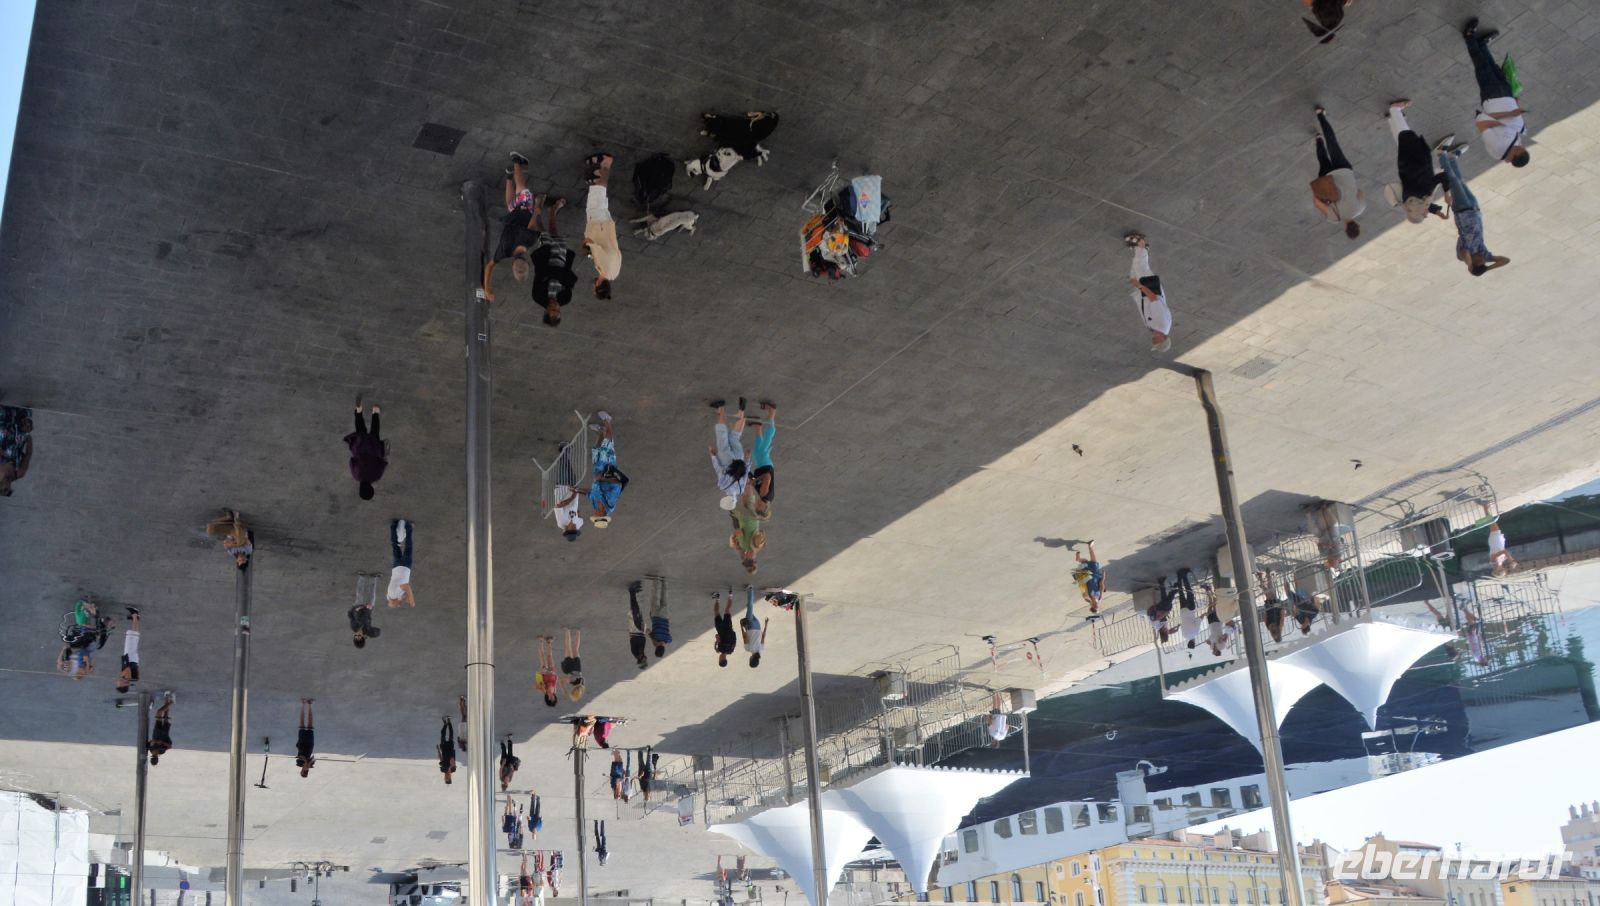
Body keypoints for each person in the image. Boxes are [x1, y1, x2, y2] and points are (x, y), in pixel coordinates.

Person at [1463, 18, 1529, 168]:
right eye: (1521, 147)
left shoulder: (1497, 148)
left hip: (1492, 99)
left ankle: (1469, 37)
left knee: (1482, 67)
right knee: (1493, 68)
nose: (1519, 146)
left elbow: (1481, 123)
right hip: (1506, 97)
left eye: (1518, 149)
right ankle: (1482, 45)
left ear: (1512, 157)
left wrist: (1509, 114)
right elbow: (1514, 127)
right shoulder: (1516, 146)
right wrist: (1514, 105)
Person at [1439, 146, 1511, 277]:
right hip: (1474, 209)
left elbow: (1464, 253)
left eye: (1481, 263)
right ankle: (1452, 158)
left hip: (1462, 211)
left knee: (1454, 182)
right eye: (1484, 262)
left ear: (1474, 263)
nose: (1483, 260)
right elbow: (1506, 260)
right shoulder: (1484, 254)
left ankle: (1441, 155)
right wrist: (1488, 269)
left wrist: (1470, 265)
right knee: (1461, 182)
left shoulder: (1464, 256)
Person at [481, 153, 540, 301]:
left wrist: (537, 207)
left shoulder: (530, 241)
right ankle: (508, 176)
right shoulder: (504, 252)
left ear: (527, 262)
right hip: (511, 215)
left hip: (525, 209)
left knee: (521, 188)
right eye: (521, 269)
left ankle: (516, 161)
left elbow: (533, 223)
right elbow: (489, 266)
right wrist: (487, 288)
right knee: (510, 203)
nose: (520, 266)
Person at [1385, 100, 1450, 224]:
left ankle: (1395, 110)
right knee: (1401, 140)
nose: (1426, 214)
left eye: (1423, 215)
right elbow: (1425, 204)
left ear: (1418, 210)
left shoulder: (1424, 192)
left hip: (1417, 160)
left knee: (1406, 135)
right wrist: (1437, 212)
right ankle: (1392, 119)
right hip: (1406, 164)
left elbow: (1442, 176)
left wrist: (1447, 193)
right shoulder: (1410, 200)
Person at [1309, 105, 1365, 239]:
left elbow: (1360, 192)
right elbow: (1317, 202)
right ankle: (1318, 140)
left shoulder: (1360, 208)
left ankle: (1320, 115)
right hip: (1329, 179)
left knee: (1333, 143)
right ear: (1345, 229)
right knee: (1322, 159)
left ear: (1358, 225)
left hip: (1344, 170)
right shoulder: (1335, 218)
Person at [532, 197, 578, 326]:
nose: (557, 307)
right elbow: (571, 280)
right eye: (558, 310)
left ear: (546, 311)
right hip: (560, 260)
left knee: (542, 233)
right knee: (555, 234)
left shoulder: (538, 296)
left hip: (545, 258)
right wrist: (557, 275)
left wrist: (557, 275)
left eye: (553, 309)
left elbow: (541, 274)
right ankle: (552, 211)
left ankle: (538, 208)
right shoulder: (565, 299)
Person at [582, 152, 621, 300]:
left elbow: (614, 253)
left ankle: (598, 171)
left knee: (602, 199)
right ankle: (606, 164)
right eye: (594, 289)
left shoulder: (614, 273)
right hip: (598, 225)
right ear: (598, 285)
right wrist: (586, 244)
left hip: (607, 226)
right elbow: (593, 245)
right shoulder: (603, 267)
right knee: (599, 193)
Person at [1124, 233, 1171, 353]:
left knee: (1135, 272)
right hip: (1149, 288)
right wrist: (1139, 286)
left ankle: (1139, 249)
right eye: (1156, 341)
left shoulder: (1156, 329)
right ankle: (1140, 243)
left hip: (1143, 292)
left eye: (1154, 342)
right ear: (1164, 338)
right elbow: (1154, 298)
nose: (1153, 340)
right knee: (1141, 268)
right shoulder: (1162, 323)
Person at [589, 412, 628, 526]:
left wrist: (577, 491)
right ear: (601, 515)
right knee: (608, 444)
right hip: (607, 469)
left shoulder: (596, 505)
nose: (594, 513)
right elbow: (618, 485)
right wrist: (602, 478)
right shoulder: (610, 503)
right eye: (596, 516)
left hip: (597, 469)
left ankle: (601, 431)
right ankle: (607, 421)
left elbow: (591, 494)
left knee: (596, 449)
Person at [708, 398, 749, 508]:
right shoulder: (723, 486)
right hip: (726, 460)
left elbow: (746, 472)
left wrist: (748, 459)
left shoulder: (741, 489)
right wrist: (713, 456)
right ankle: (721, 408)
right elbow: (719, 469)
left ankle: (741, 411)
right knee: (722, 433)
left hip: (740, 459)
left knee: (735, 436)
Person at [344, 402, 386, 500]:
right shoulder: (356, 475)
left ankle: (375, 411)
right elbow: (352, 461)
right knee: (360, 430)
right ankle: (358, 411)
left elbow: (382, 463)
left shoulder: (376, 476)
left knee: (375, 430)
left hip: (374, 448)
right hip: (360, 448)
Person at [748, 400, 778, 515]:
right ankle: (772, 412)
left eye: (757, 505)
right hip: (765, 465)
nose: (757, 503)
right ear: (765, 506)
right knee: (767, 441)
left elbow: (755, 483)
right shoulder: (765, 494)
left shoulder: (765, 497)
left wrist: (749, 476)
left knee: (756, 449)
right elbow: (767, 477)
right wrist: (755, 479)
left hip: (763, 465)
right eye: (760, 505)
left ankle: (758, 427)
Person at [729, 485, 766, 574]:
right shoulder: (744, 545)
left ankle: (743, 480)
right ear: (746, 558)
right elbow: (738, 531)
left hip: (754, 518)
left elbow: (761, 534)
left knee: (747, 497)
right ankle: (743, 479)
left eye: (755, 560)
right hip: (745, 516)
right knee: (744, 495)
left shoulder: (757, 547)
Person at [551, 441, 584, 542]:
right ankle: (566, 452)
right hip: (573, 489)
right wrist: (575, 497)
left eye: (572, 530)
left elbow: (558, 506)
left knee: (562, 467)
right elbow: (578, 514)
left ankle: (562, 449)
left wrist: (572, 498)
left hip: (562, 488)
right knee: (569, 469)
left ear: (567, 530)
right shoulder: (579, 523)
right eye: (575, 530)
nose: (575, 528)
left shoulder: (561, 522)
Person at [0, 404, 34, 496]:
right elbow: (28, 454)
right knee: (24, 405)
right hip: (19, 432)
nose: (5, 485)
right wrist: (28, 435)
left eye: (1, 487)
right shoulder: (19, 473)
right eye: (7, 488)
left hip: (3, 427)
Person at [386, 518, 416, 606]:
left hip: (405, 567)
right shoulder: (390, 596)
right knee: (395, 545)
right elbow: (401, 592)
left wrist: (411, 599)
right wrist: (406, 597)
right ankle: (393, 525)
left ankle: (409, 527)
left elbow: (406, 586)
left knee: (408, 547)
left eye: (397, 605)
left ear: (394, 601)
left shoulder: (394, 594)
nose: (399, 605)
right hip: (396, 567)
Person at [348, 573, 382, 648]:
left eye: (355, 636)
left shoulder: (353, 626)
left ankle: (361, 577)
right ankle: (374, 578)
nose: (357, 634)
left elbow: (351, 616)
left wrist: (356, 609)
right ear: (363, 637)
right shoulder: (367, 630)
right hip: (368, 610)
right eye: (359, 637)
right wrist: (372, 634)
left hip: (358, 608)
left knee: (360, 594)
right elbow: (379, 631)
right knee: (372, 595)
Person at [1072, 541, 1107, 614]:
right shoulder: (1099, 597)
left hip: (1087, 575)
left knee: (1089, 561)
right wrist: (1103, 577)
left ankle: (1088, 548)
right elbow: (1101, 585)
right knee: (1089, 561)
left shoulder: (1088, 598)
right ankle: (1081, 555)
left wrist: (1089, 599)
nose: (1097, 606)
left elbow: (1083, 590)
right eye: (1098, 607)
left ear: (1092, 606)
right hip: (1095, 575)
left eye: (1095, 607)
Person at [116, 607, 142, 693]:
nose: (117, 683)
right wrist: (122, 676)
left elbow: (137, 672)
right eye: (119, 684)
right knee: (132, 636)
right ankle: (135, 614)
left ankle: (135, 619)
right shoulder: (125, 677)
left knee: (134, 637)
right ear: (123, 684)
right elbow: (127, 669)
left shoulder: (133, 679)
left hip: (134, 660)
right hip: (130, 658)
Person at [740, 585, 767, 668]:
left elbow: (763, 636)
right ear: (751, 660)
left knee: (749, 609)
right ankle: (750, 590)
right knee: (750, 608)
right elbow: (744, 637)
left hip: (758, 626)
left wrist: (766, 624)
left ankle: (749, 594)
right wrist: (741, 626)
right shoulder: (748, 649)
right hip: (750, 626)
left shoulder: (761, 649)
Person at [1175, 568, 1203, 649]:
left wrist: (1204, 614)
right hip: (1183, 612)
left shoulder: (1196, 633)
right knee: (1181, 593)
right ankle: (1179, 576)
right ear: (1188, 642)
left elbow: (1199, 619)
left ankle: (1184, 576)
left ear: (1194, 642)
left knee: (1189, 591)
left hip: (1190, 610)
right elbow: (1183, 625)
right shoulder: (1184, 636)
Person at [645, 574, 671, 658]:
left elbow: (665, 642)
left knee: (665, 599)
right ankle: (656, 580)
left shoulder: (668, 639)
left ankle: (664, 581)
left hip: (665, 616)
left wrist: (658, 643)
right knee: (655, 598)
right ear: (656, 648)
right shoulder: (655, 637)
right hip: (655, 616)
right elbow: (647, 630)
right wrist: (653, 641)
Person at [626, 581, 649, 669]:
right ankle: (634, 592)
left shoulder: (638, 653)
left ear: (641, 660)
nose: (646, 659)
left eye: (645, 661)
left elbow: (635, 640)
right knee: (637, 610)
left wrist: (642, 631)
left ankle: (632, 590)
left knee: (635, 609)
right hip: (639, 631)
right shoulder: (639, 654)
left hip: (636, 629)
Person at [148, 691, 175, 765]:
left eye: (153, 755)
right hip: (164, 733)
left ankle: (168, 699)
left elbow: (149, 741)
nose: (154, 753)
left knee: (159, 712)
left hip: (157, 731)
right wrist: (162, 743)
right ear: (157, 757)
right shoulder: (161, 751)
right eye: (155, 755)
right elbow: (170, 746)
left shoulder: (151, 749)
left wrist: (154, 742)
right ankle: (170, 701)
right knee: (165, 715)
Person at [712, 590, 737, 668]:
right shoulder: (720, 648)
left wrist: (731, 630)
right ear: (721, 659)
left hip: (728, 626)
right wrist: (716, 642)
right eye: (719, 660)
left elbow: (734, 638)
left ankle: (730, 595)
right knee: (716, 612)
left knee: (727, 610)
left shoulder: (731, 650)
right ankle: (717, 598)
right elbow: (717, 637)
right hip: (720, 627)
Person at [1146, 578, 1174, 644]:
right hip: (1161, 610)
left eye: (1167, 633)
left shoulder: (1157, 627)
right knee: (1167, 603)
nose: (1167, 631)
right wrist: (1172, 631)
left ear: (1164, 632)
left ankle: (1172, 592)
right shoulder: (1164, 628)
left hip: (1153, 611)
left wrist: (1165, 613)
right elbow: (1168, 631)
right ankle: (1163, 585)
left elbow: (1157, 617)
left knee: (1166, 603)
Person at [536, 635, 560, 705]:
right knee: (550, 656)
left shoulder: (544, 691)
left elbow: (536, 686)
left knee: (542, 656)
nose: (552, 697)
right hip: (552, 672)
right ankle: (549, 642)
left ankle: (541, 641)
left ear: (547, 699)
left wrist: (541, 685)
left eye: (550, 699)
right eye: (554, 699)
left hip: (545, 672)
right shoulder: (555, 691)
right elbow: (555, 681)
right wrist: (554, 673)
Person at [562, 628, 585, 701]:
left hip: (578, 667)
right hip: (570, 667)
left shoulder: (582, 684)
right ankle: (567, 631)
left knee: (576, 648)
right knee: (568, 647)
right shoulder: (573, 682)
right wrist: (564, 690)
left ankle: (578, 631)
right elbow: (562, 680)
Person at [295, 698, 316, 777]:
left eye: (303, 771)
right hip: (310, 743)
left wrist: (305, 761)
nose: (305, 770)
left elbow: (300, 756)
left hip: (302, 742)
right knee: (310, 724)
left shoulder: (299, 763)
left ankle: (303, 704)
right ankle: (310, 705)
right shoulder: (310, 765)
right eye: (305, 772)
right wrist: (308, 763)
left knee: (302, 724)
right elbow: (313, 758)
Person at [438, 716, 457, 784]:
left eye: (445, 778)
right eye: (447, 778)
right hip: (450, 751)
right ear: (450, 778)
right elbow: (452, 760)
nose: (445, 777)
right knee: (451, 735)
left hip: (444, 749)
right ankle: (449, 722)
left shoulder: (442, 770)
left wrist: (438, 750)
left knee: (442, 734)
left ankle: (445, 724)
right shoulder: (453, 769)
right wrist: (451, 766)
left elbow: (441, 759)